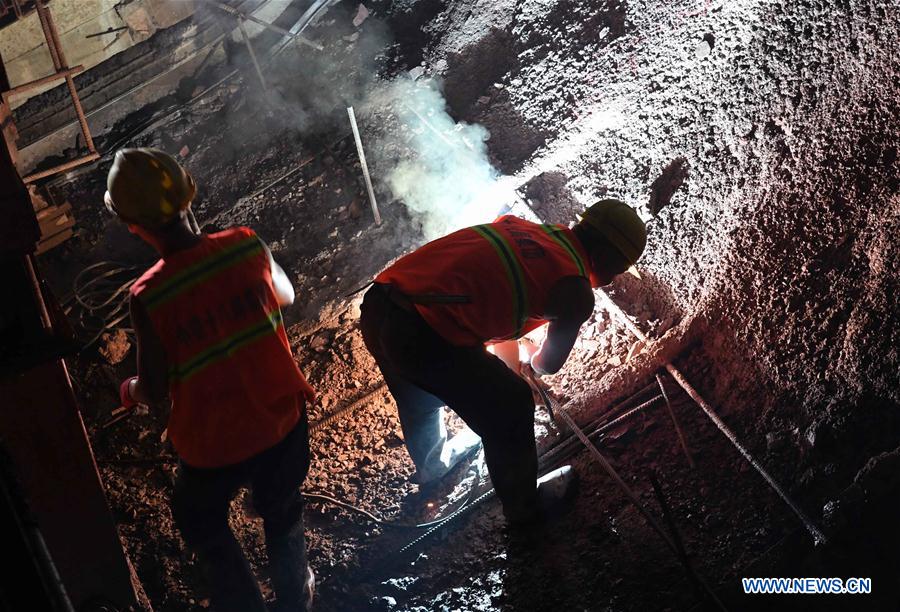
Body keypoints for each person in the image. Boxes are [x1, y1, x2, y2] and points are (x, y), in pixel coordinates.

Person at [107, 148, 316, 612]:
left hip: (212, 447)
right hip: (280, 424)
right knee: (281, 513)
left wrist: (128, 390)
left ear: (131, 224)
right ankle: (295, 597)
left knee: (198, 518)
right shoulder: (244, 243)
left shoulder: (148, 295)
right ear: (190, 193)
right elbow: (286, 293)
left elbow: (155, 388)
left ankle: (244, 604)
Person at [359, 200, 647, 525]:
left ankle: (433, 467)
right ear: (607, 256)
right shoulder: (576, 292)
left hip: (380, 304)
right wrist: (529, 368)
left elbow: (502, 289)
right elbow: (548, 364)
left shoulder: (525, 228)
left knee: (418, 394)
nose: (610, 280)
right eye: (617, 269)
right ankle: (526, 510)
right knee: (512, 404)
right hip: (421, 335)